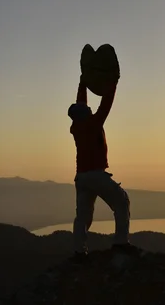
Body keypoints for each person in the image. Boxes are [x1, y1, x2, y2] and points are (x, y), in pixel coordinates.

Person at [68, 75, 139, 262]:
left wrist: (83, 82)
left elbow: (80, 103)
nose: (90, 109)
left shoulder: (77, 126)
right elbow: (106, 103)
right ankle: (121, 242)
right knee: (121, 201)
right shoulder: (93, 123)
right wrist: (112, 82)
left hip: (81, 177)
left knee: (83, 216)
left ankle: (78, 252)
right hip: (96, 175)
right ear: (85, 113)